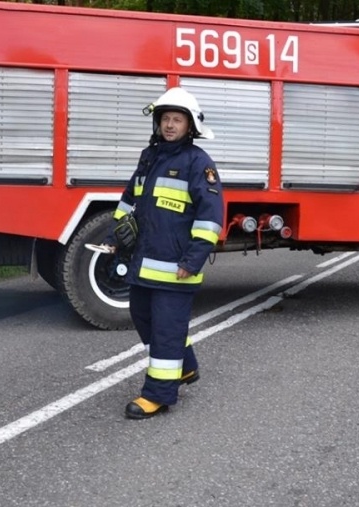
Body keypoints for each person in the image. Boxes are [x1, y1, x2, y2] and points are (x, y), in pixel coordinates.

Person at [104, 87, 224, 419]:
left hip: (176, 267)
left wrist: (193, 260)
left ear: (190, 125)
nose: (170, 125)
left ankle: (157, 395)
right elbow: (129, 200)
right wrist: (117, 237)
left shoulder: (199, 163)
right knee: (142, 316)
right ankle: (184, 366)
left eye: (177, 120)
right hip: (143, 262)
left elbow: (211, 218)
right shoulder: (150, 156)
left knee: (166, 330)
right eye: (165, 119)